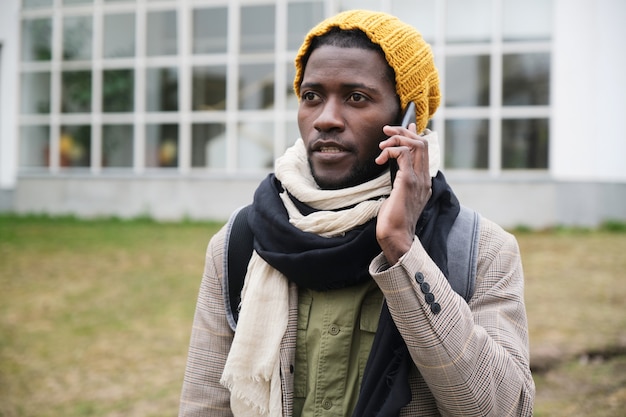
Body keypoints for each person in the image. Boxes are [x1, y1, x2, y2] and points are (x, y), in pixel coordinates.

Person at [179, 9, 535, 417]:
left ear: (408, 121)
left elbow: (501, 408)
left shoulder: (479, 249)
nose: (326, 119)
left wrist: (403, 250)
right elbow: (203, 406)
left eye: (356, 97)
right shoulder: (242, 242)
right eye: (312, 96)